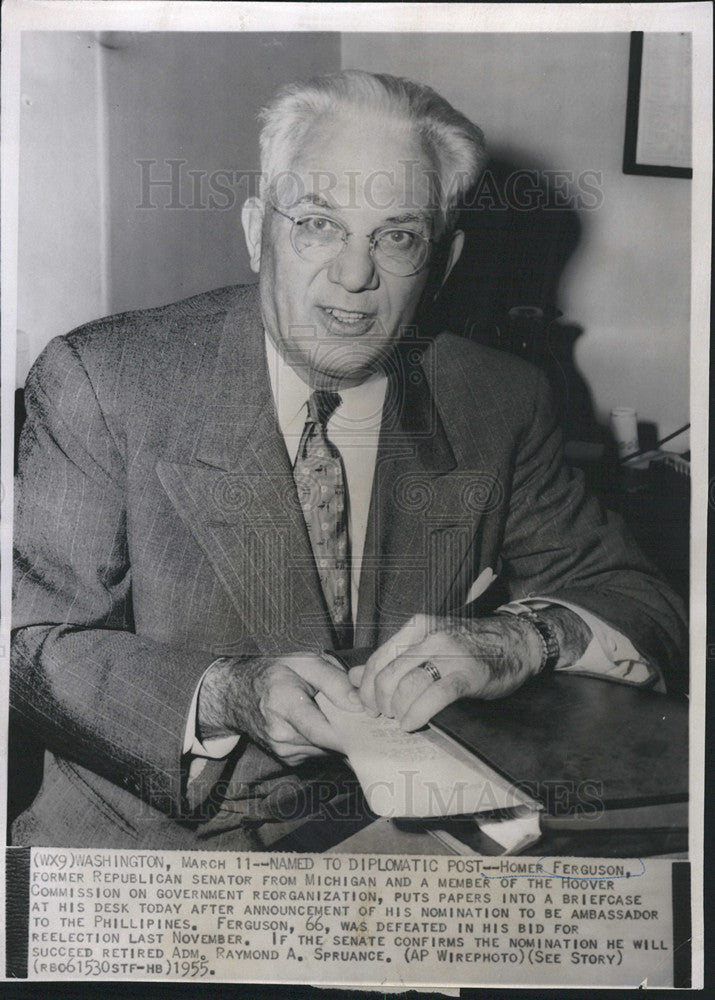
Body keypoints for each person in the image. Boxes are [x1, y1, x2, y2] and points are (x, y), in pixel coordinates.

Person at [11, 71, 686, 850]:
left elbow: (636, 598)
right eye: (318, 224)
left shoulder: (498, 398)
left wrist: (519, 640)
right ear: (254, 229)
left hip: (396, 835)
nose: (355, 276)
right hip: (147, 840)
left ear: (443, 260)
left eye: (396, 237)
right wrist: (225, 693)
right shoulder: (104, 380)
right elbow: (27, 647)